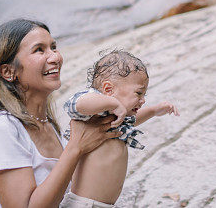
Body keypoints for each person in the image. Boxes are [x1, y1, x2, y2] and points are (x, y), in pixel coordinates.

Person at [0, 19, 118, 208]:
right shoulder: (3, 128)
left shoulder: (48, 124)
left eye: (53, 47)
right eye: (39, 50)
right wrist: (75, 149)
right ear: (8, 71)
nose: (55, 57)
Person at [60, 49, 179, 207]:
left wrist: (153, 110)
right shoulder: (96, 110)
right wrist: (113, 103)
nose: (142, 100)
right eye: (138, 93)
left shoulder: (114, 117)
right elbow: (75, 104)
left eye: (145, 95)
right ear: (108, 90)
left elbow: (131, 121)